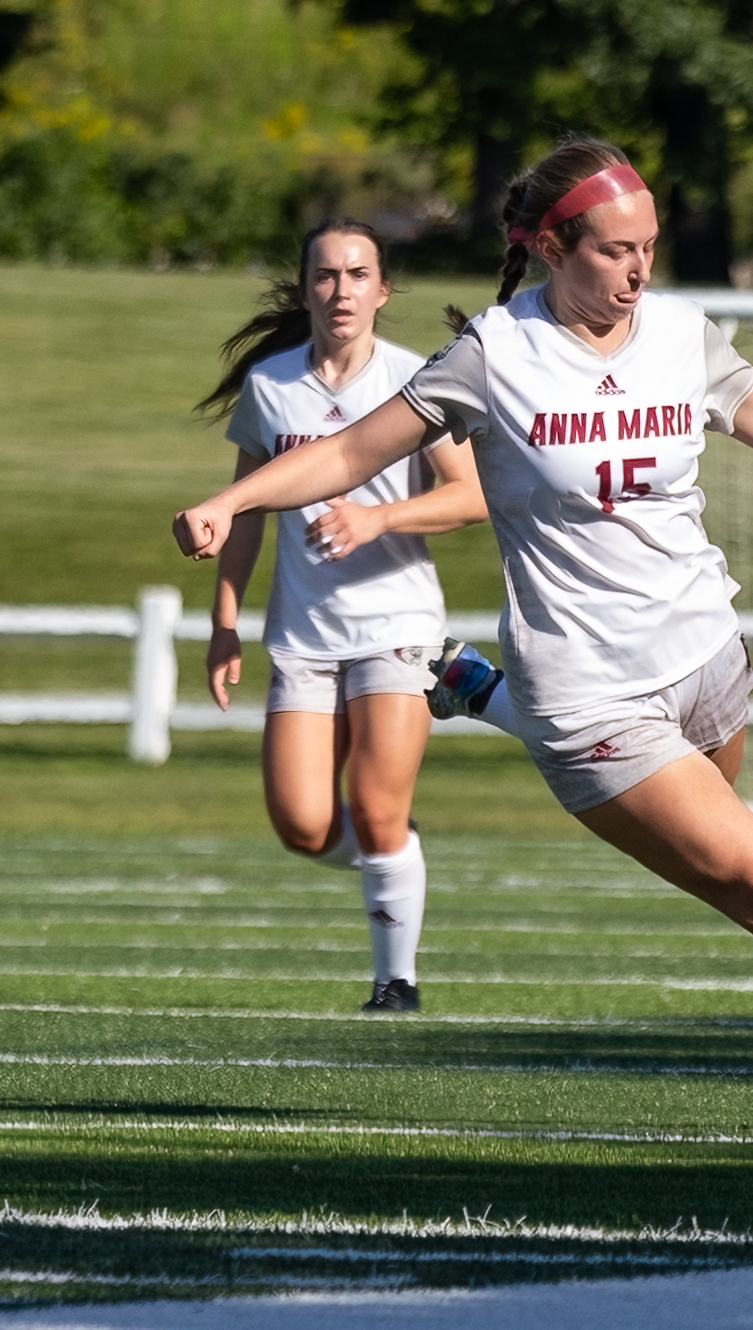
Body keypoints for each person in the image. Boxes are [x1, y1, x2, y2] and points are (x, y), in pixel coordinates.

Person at [173, 138, 753, 1129]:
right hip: (589, 695)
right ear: (551, 247)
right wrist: (235, 502)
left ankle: (483, 693)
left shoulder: (679, 333)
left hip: (706, 657)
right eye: (616, 250)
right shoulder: (495, 355)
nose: (641, 268)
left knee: (746, 875)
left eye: (649, 247)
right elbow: (352, 451)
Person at [196, 218, 505, 1013]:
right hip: (302, 634)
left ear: (383, 289)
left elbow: (470, 496)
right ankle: (393, 858)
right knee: (302, 825)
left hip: (395, 624)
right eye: (326, 276)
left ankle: (394, 981)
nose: (341, 290)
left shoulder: (417, 380)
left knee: (374, 807)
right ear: (304, 291)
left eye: (358, 274)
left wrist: (378, 519)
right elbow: (247, 511)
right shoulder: (271, 386)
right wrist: (224, 622)